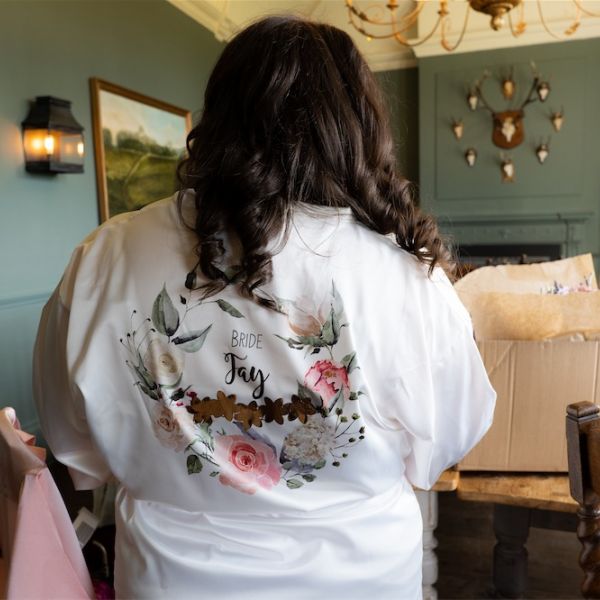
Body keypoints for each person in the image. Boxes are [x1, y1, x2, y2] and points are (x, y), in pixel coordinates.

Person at [33, 15, 496, 599]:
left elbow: (72, 440)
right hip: (358, 579)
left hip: (171, 581)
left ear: (219, 113)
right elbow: (455, 430)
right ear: (355, 127)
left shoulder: (104, 258)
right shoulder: (403, 276)